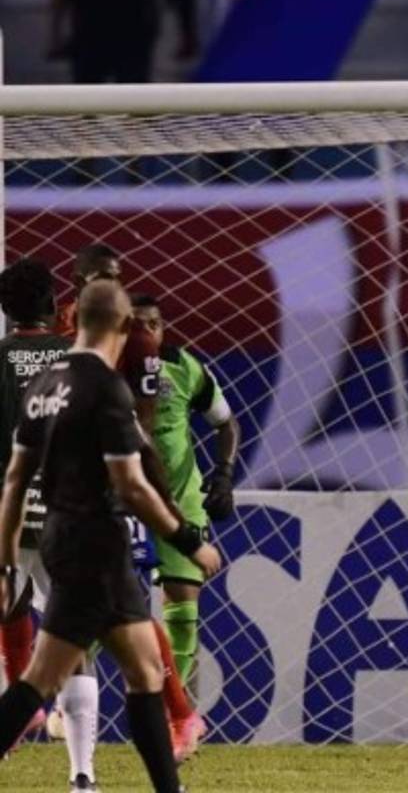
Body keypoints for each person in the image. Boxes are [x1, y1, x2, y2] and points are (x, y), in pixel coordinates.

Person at [0, 279, 221, 793]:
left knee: (145, 670)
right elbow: (132, 486)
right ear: (121, 326)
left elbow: (13, 482)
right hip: (94, 546)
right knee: (42, 679)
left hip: (61, 538)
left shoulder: (44, 386)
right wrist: (190, 540)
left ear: (73, 321)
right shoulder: (106, 387)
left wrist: (7, 562)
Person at [57, 243, 208, 762]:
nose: (110, 283)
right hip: (64, 492)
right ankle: (176, 714)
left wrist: (155, 501)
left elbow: (141, 427)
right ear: (75, 283)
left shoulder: (139, 341)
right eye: (99, 275)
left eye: (115, 276)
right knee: (101, 611)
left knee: (125, 611)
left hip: (113, 494)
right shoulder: (58, 337)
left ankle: (176, 713)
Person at [130, 294, 238, 689]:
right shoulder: (106, 368)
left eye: (152, 324)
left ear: (163, 328)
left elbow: (226, 424)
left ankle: (174, 717)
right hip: (123, 499)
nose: (145, 332)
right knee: (98, 607)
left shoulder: (185, 367)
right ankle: (67, 703)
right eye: (136, 324)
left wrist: (224, 473)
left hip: (180, 498)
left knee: (183, 607)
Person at [0, 260, 73, 764]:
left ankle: (18, 710)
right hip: (68, 509)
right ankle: (81, 762)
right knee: (77, 623)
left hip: (10, 506)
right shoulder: (76, 357)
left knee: (9, 605)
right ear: (51, 302)